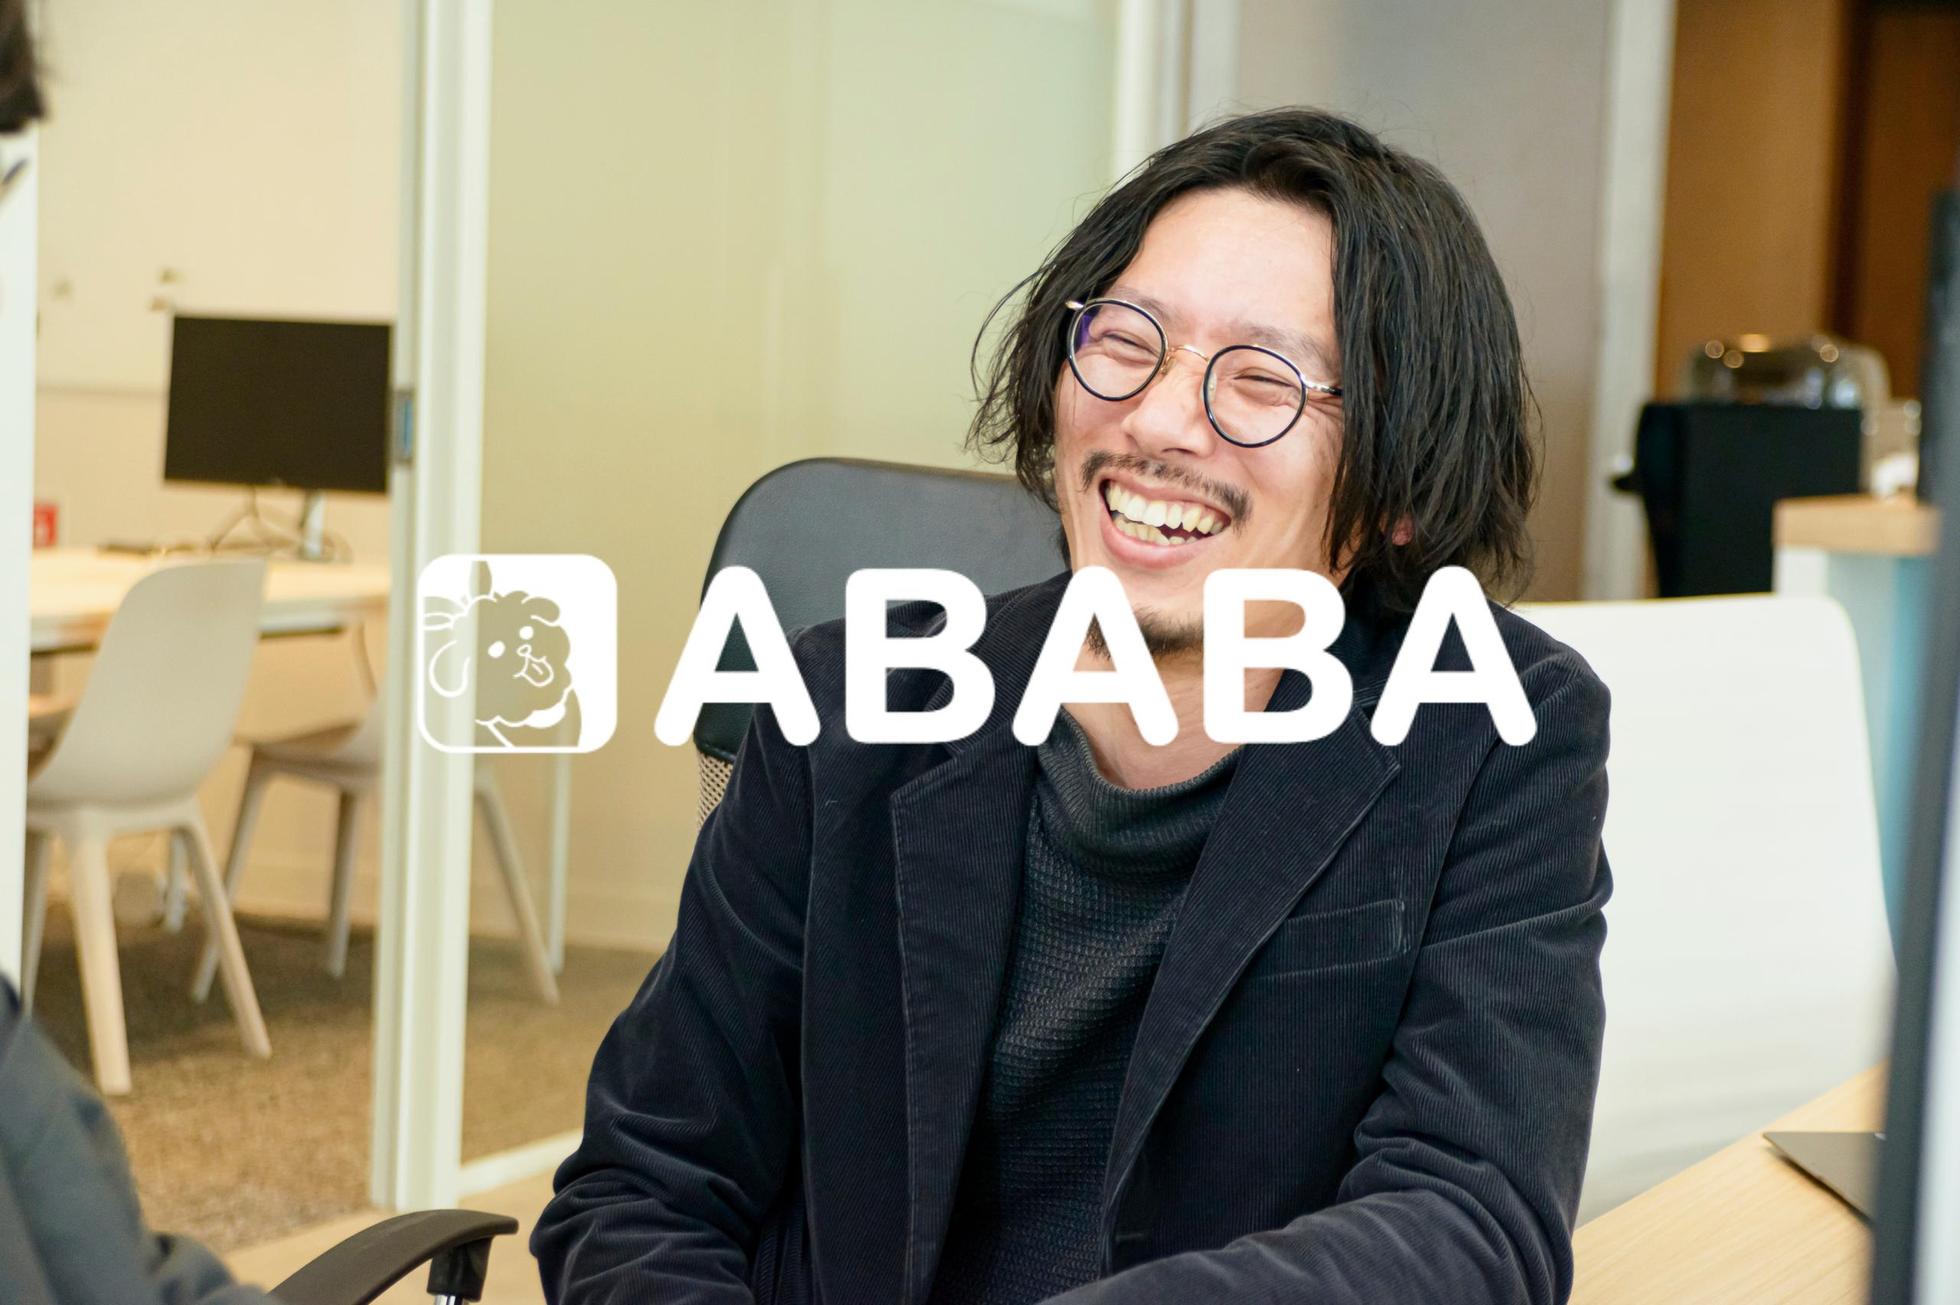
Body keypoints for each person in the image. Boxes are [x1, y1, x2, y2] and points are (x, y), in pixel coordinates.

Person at [534, 107, 1612, 1305]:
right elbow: (644, 1185)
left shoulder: (1488, 734)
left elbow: (1470, 1220)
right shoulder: (849, 701)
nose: (1154, 420)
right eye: (1125, 340)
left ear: (1398, 488)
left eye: (1260, 381)